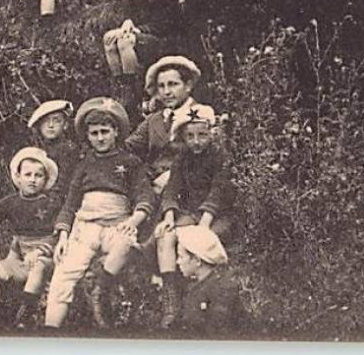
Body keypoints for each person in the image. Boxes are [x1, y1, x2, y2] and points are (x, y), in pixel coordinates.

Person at [43, 109, 154, 330]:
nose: (100, 138)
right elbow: (71, 202)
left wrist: (133, 222)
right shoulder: (84, 164)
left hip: (117, 223)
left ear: (116, 132)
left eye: (105, 131)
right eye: (94, 133)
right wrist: (63, 235)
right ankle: (49, 332)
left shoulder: (130, 162)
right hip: (86, 227)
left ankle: (100, 291)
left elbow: (145, 196)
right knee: (63, 274)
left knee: (126, 245)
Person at [155, 108, 233, 329]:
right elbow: (172, 188)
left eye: (202, 135)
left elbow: (218, 192)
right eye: (190, 136)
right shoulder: (182, 158)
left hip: (217, 215)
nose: (196, 141)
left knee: (203, 242)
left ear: (212, 133)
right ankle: (171, 301)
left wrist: (203, 226)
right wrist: (169, 215)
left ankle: (207, 296)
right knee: (165, 236)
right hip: (190, 213)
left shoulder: (220, 157)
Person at [0, 146, 61, 328]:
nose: (33, 180)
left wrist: (39, 252)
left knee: (37, 267)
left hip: (46, 257)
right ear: (18, 177)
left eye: (39, 175)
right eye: (28, 175)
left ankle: (24, 316)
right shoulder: (10, 202)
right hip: (19, 258)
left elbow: (59, 234)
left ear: (46, 179)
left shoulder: (52, 202)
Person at [102, 0, 184, 94]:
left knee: (125, 41)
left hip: (165, 40)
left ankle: (134, 87)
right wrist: (126, 24)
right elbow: (127, 15)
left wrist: (137, 30)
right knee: (109, 38)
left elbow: (166, 22)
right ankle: (120, 83)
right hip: (139, 35)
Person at [124, 55, 205, 193]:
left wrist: (173, 177)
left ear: (188, 86)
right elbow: (129, 146)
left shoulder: (202, 115)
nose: (166, 92)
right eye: (161, 86)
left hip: (188, 188)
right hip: (151, 187)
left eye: (173, 84)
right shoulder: (154, 120)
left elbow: (210, 159)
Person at [175, 223, 240, 334]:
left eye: (181, 257)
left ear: (197, 261)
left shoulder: (220, 292)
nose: (177, 262)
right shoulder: (197, 286)